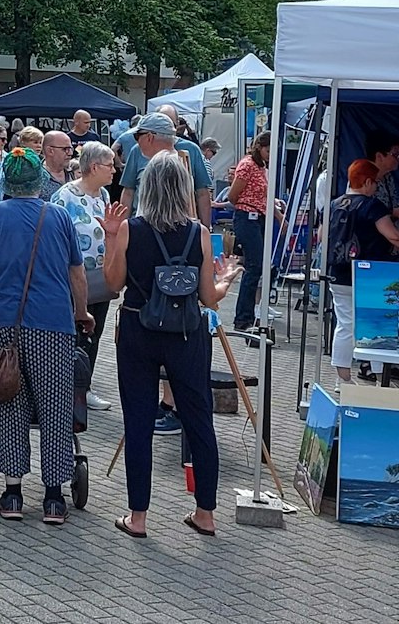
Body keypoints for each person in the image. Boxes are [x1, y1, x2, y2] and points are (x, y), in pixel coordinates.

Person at [105, 151, 229, 538]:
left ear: (148, 187)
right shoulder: (200, 234)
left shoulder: (132, 229)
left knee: (138, 421)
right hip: (187, 333)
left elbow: (113, 284)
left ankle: (138, 517)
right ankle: (205, 513)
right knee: (198, 419)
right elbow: (209, 298)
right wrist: (228, 279)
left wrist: (111, 237)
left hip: (138, 327)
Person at [0, 147, 91, 525]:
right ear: (39, 179)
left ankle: (13, 492)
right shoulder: (58, 216)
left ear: (6, 180)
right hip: (54, 324)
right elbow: (77, 275)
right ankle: (54, 498)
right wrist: (81, 312)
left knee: (10, 402)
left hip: (7, 323)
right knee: (55, 408)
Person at [327, 159, 399, 383]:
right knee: (376, 324)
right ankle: (379, 379)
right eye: (375, 182)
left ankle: (342, 379)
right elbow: (392, 235)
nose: (376, 187)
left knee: (345, 325)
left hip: (338, 273)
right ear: (367, 182)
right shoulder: (372, 205)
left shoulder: (336, 204)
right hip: (368, 274)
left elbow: (322, 236)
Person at [54, 141, 117, 411]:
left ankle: (85, 387)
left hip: (99, 277)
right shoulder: (65, 196)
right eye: (110, 165)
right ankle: (63, 387)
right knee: (71, 331)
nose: (114, 170)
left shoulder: (103, 195)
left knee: (95, 331)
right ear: (94, 167)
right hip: (72, 277)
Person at [224, 133, 273, 332]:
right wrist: (246, 208)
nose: (270, 155)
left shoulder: (261, 167)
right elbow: (232, 195)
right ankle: (243, 318)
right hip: (247, 217)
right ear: (259, 147)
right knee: (254, 265)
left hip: (257, 217)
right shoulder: (247, 165)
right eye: (268, 150)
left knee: (256, 266)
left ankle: (246, 315)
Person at [37, 131, 72, 200]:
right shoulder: (36, 178)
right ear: (50, 151)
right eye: (65, 149)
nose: (70, 153)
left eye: (71, 149)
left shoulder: (75, 172)